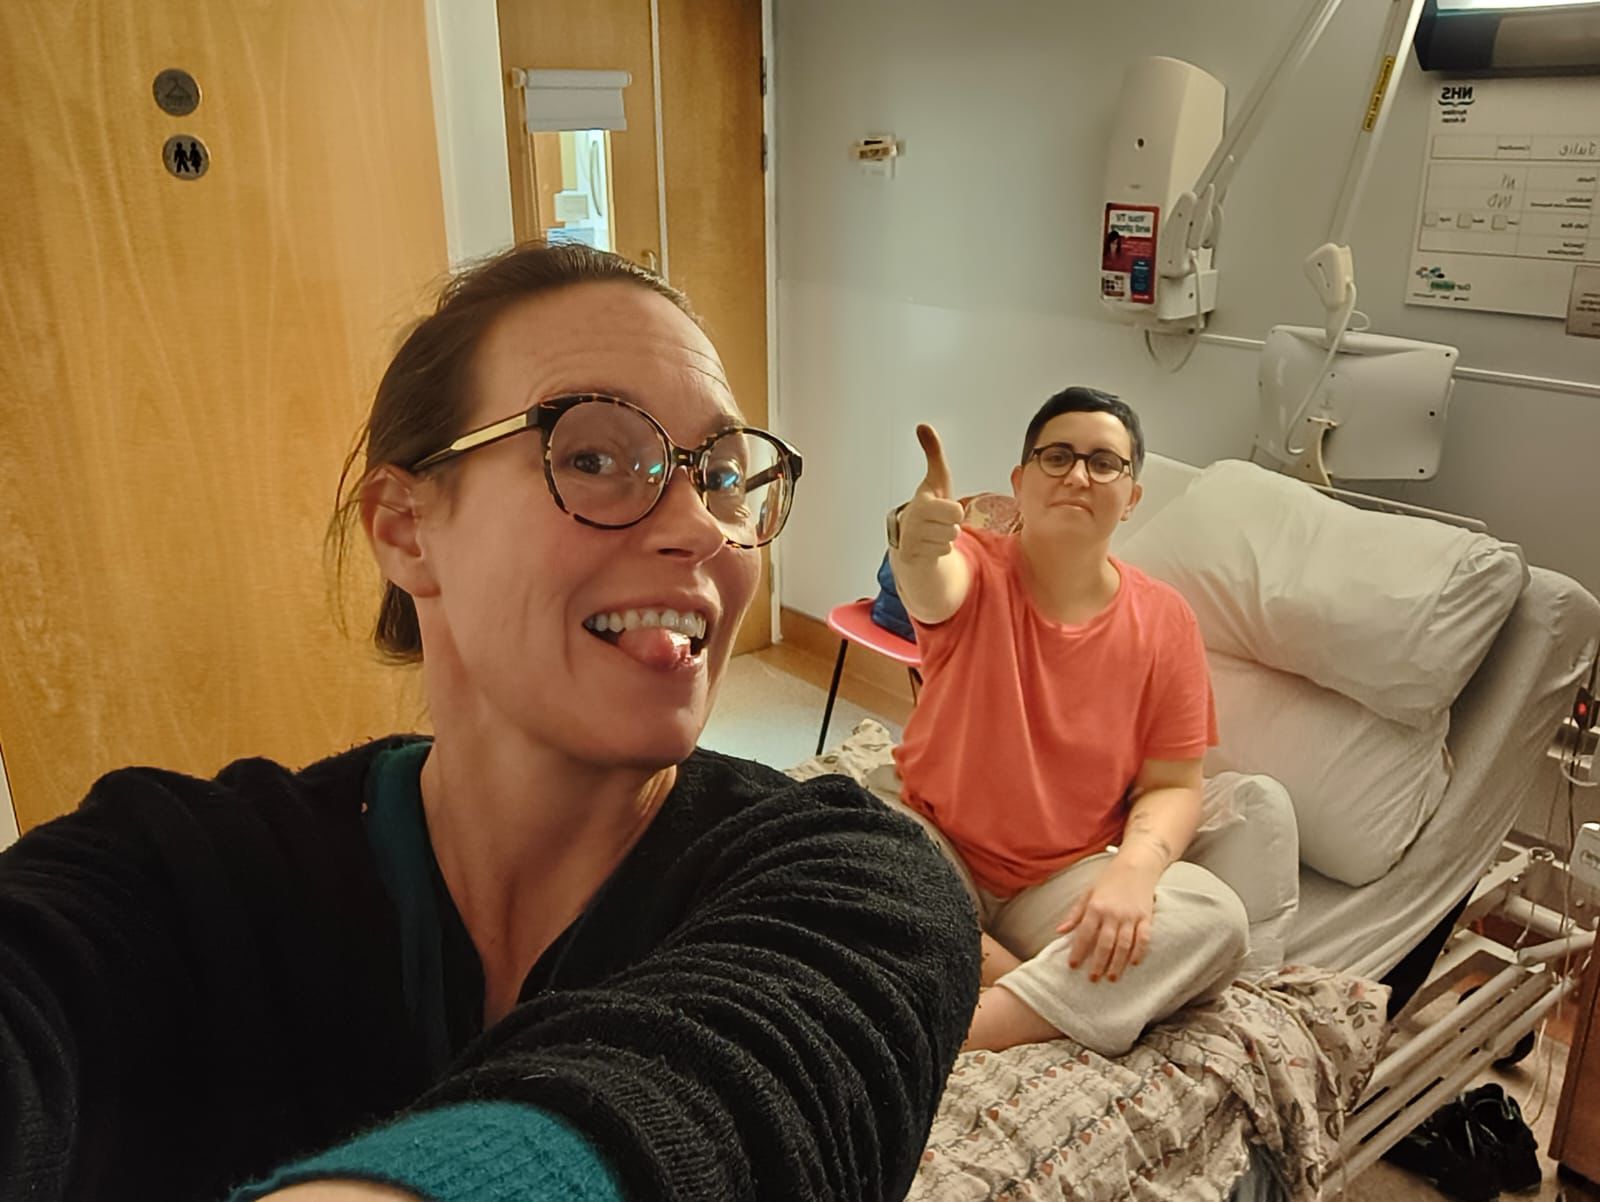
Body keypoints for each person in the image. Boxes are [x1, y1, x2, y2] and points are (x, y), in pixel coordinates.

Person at [0, 243, 981, 1202]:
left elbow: (722, 1101)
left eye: (721, 476)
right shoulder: (176, 871)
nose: (698, 526)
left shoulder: (863, 890)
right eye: (593, 455)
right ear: (405, 527)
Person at [882, 386, 1247, 1058]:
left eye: (1104, 463)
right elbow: (933, 585)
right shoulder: (975, 565)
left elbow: (1173, 783)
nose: (1079, 475)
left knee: (1216, 919)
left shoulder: (1166, 622)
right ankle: (1026, 985)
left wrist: (1135, 872)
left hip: (1060, 885)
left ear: (1132, 496)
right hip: (936, 848)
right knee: (836, 836)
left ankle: (970, 1022)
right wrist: (915, 546)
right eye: (1057, 457)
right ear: (1020, 482)